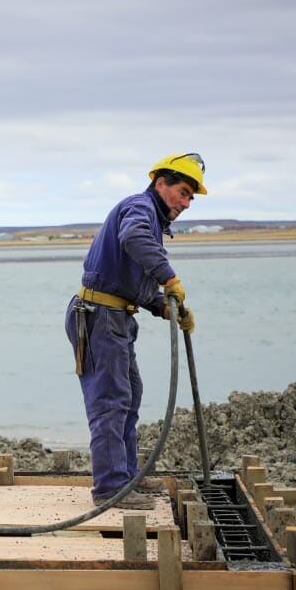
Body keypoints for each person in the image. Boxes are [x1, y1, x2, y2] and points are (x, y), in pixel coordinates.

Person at [64, 153, 205, 509]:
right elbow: (134, 238)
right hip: (101, 317)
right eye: (183, 192)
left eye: (190, 197)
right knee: (111, 401)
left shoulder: (149, 217)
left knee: (129, 397)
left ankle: (126, 480)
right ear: (161, 183)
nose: (186, 203)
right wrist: (169, 277)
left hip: (116, 317)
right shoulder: (140, 210)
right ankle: (110, 490)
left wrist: (164, 306)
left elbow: (130, 284)